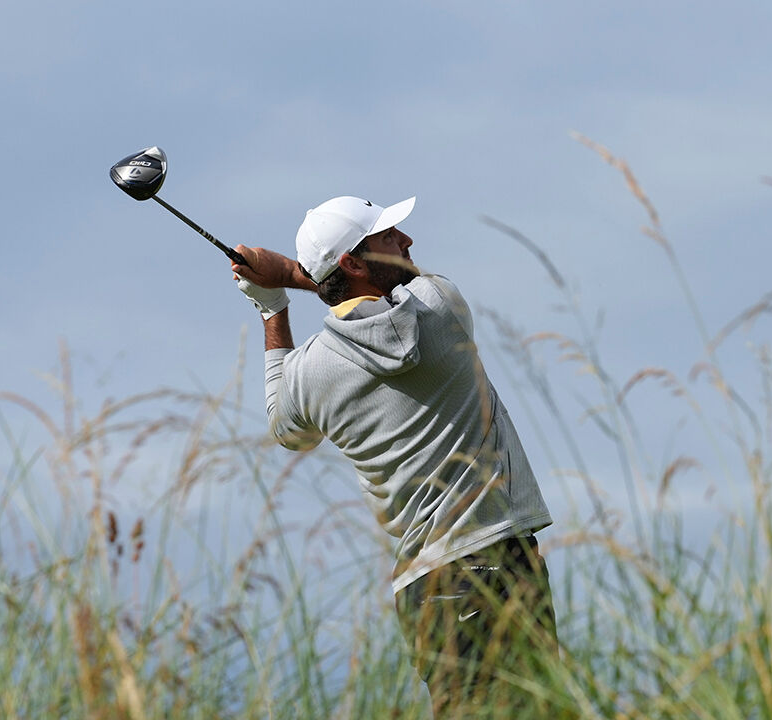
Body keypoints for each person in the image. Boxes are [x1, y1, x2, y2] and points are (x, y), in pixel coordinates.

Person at [230, 195, 559, 717]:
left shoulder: (307, 374)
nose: (407, 241)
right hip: (497, 562)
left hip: (423, 588)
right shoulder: (439, 307)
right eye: (388, 237)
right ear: (355, 264)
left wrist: (272, 307)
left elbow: (285, 427)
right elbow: (405, 286)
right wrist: (291, 275)